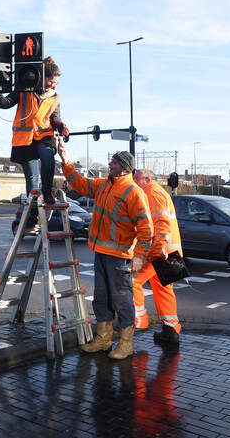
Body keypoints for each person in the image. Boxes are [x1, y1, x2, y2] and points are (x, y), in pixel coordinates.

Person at [57, 142, 151, 359]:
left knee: (122, 299)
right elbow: (81, 184)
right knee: (102, 298)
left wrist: (139, 257)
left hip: (120, 258)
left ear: (125, 168)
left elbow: (147, 228)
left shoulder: (133, 192)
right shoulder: (105, 185)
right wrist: (65, 160)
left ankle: (126, 344)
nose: (110, 163)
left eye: (115, 161)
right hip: (101, 252)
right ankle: (103, 339)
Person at [0, 56, 69, 222]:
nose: (53, 85)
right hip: (25, 137)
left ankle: (48, 193)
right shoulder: (23, 89)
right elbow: (5, 103)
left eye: (56, 82)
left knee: (48, 159)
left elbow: (55, 119)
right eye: (51, 81)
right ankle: (33, 209)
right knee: (32, 178)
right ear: (43, 77)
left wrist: (61, 126)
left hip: (44, 135)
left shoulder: (55, 97)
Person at [132, 169, 182, 344]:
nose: (134, 181)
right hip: (170, 252)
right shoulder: (159, 192)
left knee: (133, 281)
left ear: (147, 179)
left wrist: (159, 246)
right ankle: (171, 330)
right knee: (164, 290)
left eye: (137, 178)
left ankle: (139, 320)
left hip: (160, 252)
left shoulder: (151, 193)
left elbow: (161, 221)